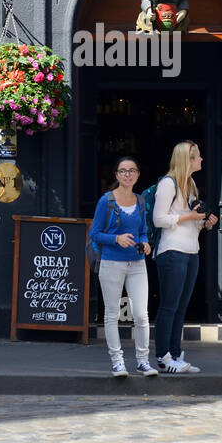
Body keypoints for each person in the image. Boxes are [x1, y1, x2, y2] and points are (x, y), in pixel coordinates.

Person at [152, 140, 217, 373]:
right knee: (169, 306)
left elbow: (191, 223)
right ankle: (163, 357)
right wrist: (189, 217)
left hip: (191, 251)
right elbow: (158, 219)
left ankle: (175, 353)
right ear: (187, 160)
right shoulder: (168, 184)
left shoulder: (190, 184)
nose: (201, 159)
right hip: (172, 251)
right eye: (197, 156)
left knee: (180, 307)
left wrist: (205, 223)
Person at [90, 156, 158, 377]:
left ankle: (143, 361)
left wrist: (145, 243)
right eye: (123, 171)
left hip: (137, 263)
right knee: (112, 314)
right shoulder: (106, 201)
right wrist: (116, 239)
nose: (127, 174)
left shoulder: (140, 201)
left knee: (141, 315)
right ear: (116, 175)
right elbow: (95, 233)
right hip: (111, 263)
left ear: (137, 175)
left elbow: (142, 231)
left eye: (132, 171)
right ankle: (117, 362)